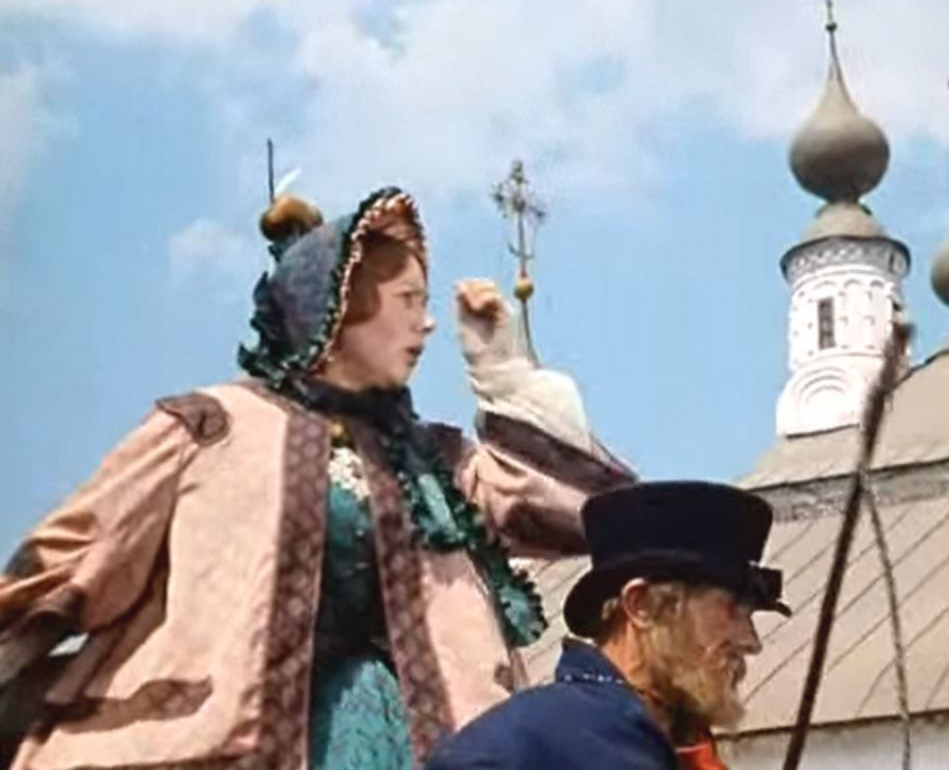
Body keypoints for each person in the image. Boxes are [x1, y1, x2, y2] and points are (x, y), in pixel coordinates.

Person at [0, 186, 633, 769]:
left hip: (432, 743)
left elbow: (595, 512)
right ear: (333, 311)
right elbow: (69, 563)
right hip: (229, 742)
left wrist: (502, 370)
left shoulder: (434, 458)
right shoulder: (211, 427)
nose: (426, 324)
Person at [424, 481, 790, 770]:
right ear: (641, 605)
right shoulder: (520, 748)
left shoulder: (670, 745)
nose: (751, 641)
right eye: (731, 610)